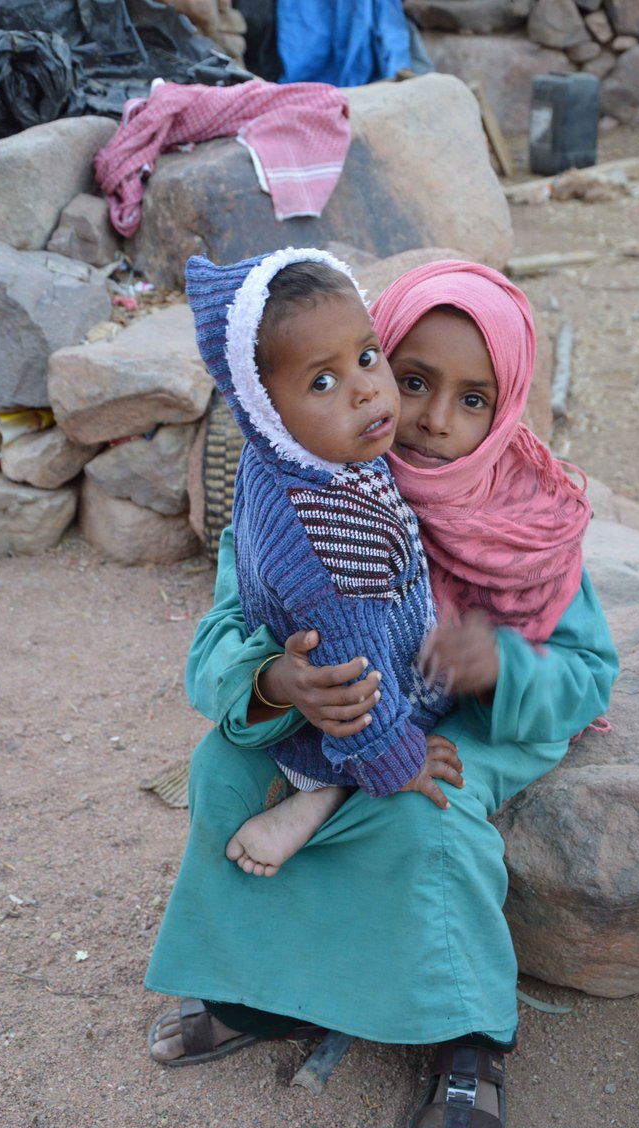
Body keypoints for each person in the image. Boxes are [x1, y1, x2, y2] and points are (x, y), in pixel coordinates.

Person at [145, 259, 619, 1128]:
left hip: (473, 720)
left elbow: (589, 676)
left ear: (508, 405)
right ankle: (262, 995)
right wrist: (274, 683)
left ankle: (466, 1035)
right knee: (227, 772)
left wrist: (499, 662)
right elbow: (218, 640)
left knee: (420, 804)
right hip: (339, 716)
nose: (436, 420)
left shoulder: (524, 519)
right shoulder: (300, 489)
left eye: (474, 399)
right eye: (412, 381)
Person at [185, 247, 456, 878]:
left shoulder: (291, 459)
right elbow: (353, 677)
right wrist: (397, 759)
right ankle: (325, 796)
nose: (365, 389)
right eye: (323, 382)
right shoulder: (331, 531)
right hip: (355, 720)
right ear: (264, 407)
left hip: (331, 694)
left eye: (366, 357)